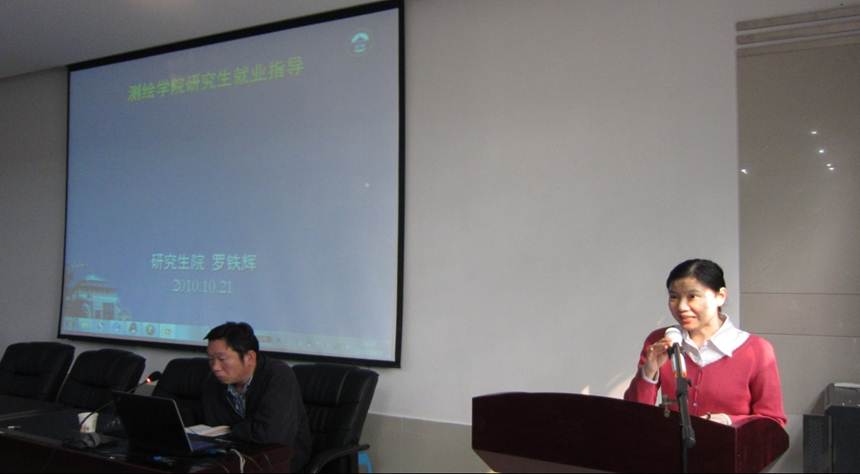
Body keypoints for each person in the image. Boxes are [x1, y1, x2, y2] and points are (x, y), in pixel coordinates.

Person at [623, 259, 787, 427]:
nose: (681, 307)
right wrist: (648, 373)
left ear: (720, 296)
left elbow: (773, 423)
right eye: (674, 297)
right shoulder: (660, 342)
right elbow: (632, 416)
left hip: (729, 444)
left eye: (692, 296)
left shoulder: (757, 350)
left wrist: (728, 422)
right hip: (670, 444)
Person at [201, 322, 311, 471]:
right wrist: (239, 431)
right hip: (233, 458)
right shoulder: (213, 382)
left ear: (250, 357)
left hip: (279, 461)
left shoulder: (278, 375)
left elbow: (271, 436)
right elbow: (215, 431)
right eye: (210, 359)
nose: (215, 367)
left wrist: (231, 430)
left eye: (222, 359)